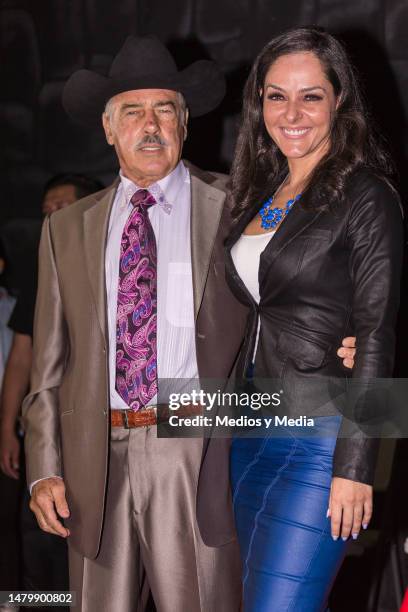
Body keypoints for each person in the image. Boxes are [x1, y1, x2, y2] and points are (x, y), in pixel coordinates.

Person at [21, 35, 357, 612]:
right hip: (90, 458)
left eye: (165, 110)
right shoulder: (66, 228)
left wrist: (336, 340)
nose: (150, 125)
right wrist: (43, 469)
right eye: (133, 111)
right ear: (109, 129)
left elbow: (300, 286)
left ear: (185, 123)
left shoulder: (239, 205)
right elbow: (51, 363)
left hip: (198, 444)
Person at [225, 26, 404, 611]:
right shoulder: (259, 191)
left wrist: (358, 465)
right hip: (247, 426)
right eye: (276, 95)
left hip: (320, 436)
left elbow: (378, 331)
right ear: (259, 105)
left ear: (339, 101)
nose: (292, 112)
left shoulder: (366, 194)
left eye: (311, 95)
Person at [0, 174, 102, 597]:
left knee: (91, 545)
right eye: (46, 212)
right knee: (37, 536)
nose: (52, 218)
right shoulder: (39, 280)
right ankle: (38, 604)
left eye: (61, 208)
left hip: (104, 433)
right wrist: (8, 428)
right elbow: (21, 357)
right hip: (46, 435)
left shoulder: (117, 267)